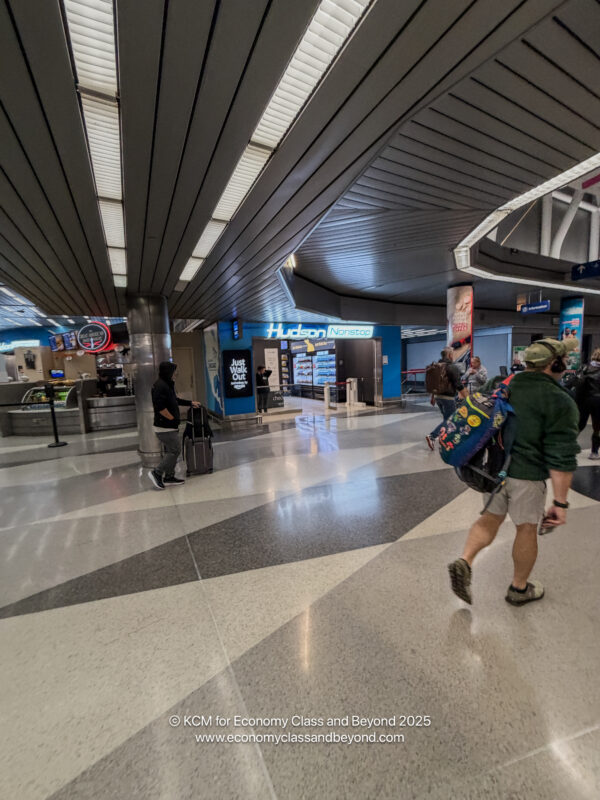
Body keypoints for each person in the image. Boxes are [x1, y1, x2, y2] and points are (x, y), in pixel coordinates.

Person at [447, 337, 580, 607]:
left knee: (489, 521)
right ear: (553, 364)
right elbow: (560, 457)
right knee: (526, 529)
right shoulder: (559, 399)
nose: (566, 364)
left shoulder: (500, 383)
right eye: (565, 360)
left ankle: (465, 561)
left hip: (495, 472)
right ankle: (519, 589)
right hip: (527, 476)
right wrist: (560, 502)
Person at [148, 361, 200, 490]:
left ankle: (169, 476)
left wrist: (190, 403)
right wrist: (171, 418)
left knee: (171, 450)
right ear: (168, 372)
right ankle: (157, 473)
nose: (176, 374)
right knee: (175, 450)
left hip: (169, 426)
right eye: (174, 371)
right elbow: (160, 407)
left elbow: (174, 400)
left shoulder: (167, 384)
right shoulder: (160, 386)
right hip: (164, 426)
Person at [425, 347, 466, 450]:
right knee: (450, 420)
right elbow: (458, 384)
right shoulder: (451, 367)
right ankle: (433, 436)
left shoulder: (437, 366)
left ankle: (444, 438)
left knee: (446, 418)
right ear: (449, 355)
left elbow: (435, 383)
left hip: (438, 397)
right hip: (448, 397)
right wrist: (468, 397)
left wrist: (433, 397)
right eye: (453, 354)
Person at [575, 347, 600, 460]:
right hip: (598, 402)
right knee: (597, 428)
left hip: (584, 401)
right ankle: (594, 452)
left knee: (579, 425)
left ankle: (568, 446)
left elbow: (578, 384)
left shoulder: (584, 367)